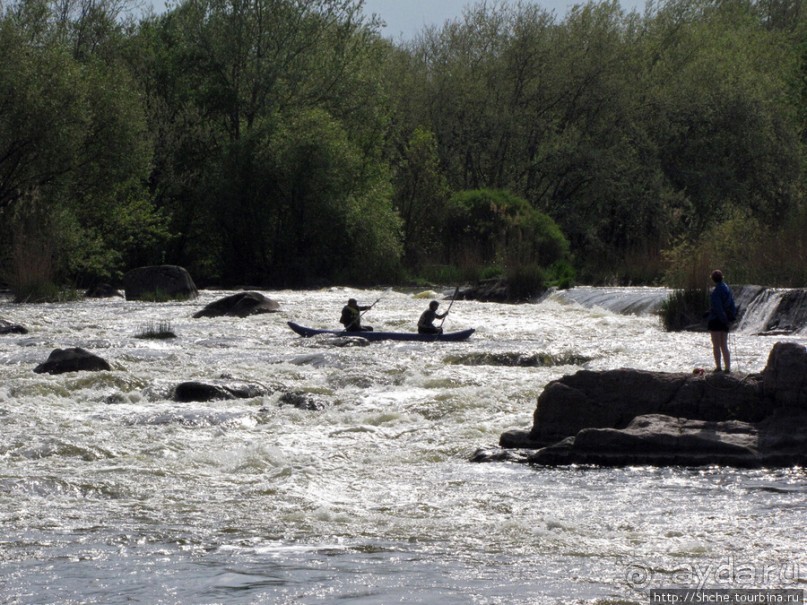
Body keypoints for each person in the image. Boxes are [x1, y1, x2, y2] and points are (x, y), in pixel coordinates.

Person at [707, 269, 737, 373]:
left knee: (716, 345)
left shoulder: (716, 292)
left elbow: (718, 307)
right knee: (724, 345)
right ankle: (728, 368)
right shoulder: (727, 289)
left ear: (713, 279)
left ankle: (718, 367)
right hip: (726, 320)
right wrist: (731, 317)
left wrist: (720, 317)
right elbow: (732, 304)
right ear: (722, 277)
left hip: (716, 320)